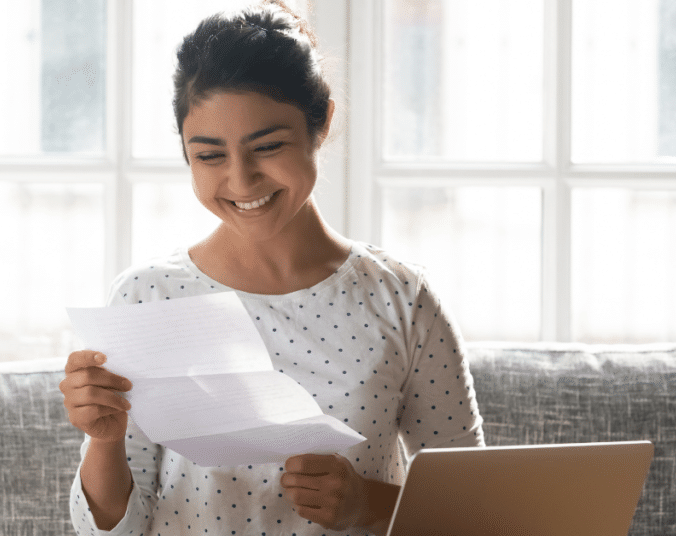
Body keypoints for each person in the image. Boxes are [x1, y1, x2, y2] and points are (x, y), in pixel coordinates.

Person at [60, 1, 484, 534]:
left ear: (322, 122)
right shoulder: (148, 297)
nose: (241, 181)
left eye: (268, 146)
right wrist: (105, 437)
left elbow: (479, 512)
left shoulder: (402, 299)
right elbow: (111, 529)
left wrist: (370, 505)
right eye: (210, 155)